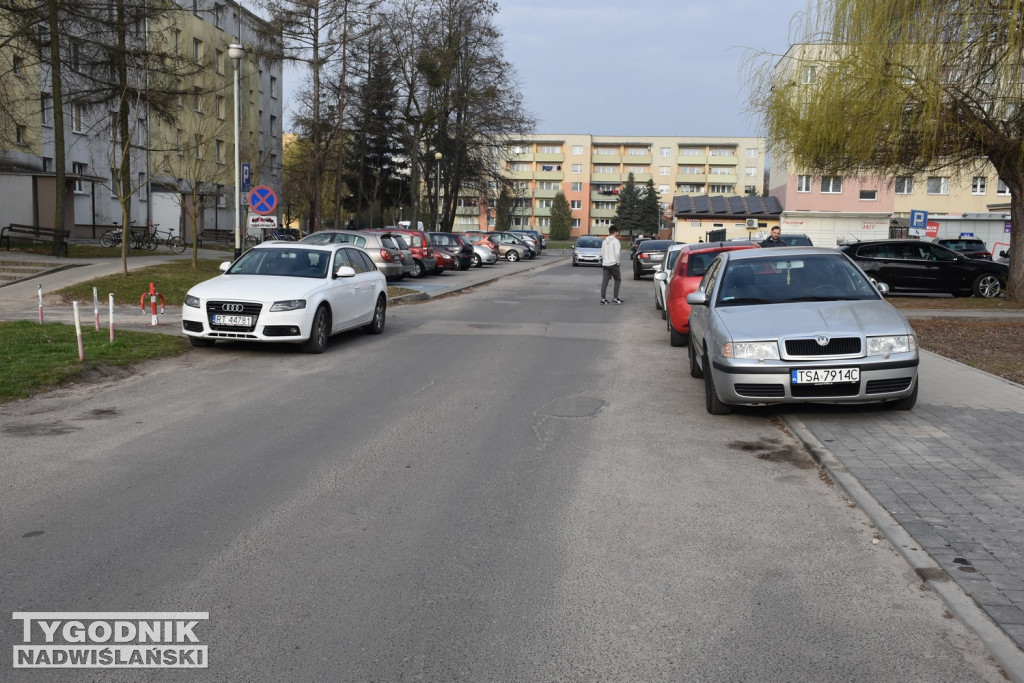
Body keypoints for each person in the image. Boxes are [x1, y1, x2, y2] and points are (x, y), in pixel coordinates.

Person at [600, 227, 624, 304]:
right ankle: (615, 297)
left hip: (605, 264)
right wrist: (617, 262)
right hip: (613, 263)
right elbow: (617, 253)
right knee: (617, 279)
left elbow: (602, 253)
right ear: (615, 232)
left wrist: (604, 260)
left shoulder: (604, 241)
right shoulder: (616, 241)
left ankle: (603, 299)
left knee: (605, 281)